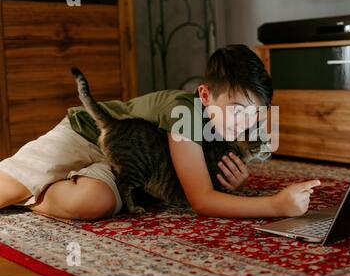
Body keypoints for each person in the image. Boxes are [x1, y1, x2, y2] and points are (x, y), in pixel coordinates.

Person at [0, 44, 320, 220]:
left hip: (127, 166)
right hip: (87, 134)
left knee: (91, 203)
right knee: (3, 190)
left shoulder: (225, 129)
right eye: (237, 109)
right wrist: (274, 206)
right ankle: (24, 186)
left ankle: (32, 198)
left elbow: (196, 179)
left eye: (254, 114)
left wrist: (233, 182)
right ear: (205, 95)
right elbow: (202, 201)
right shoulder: (184, 112)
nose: (243, 122)